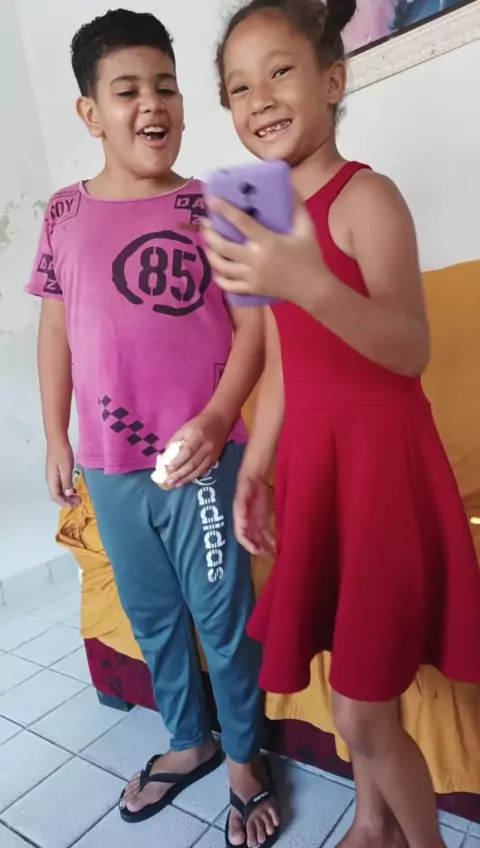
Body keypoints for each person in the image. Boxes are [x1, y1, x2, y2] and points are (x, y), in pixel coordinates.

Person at [204, 1, 480, 846]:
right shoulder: (264, 219)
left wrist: (309, 279)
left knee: (361, 712)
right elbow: (289, 360)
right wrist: (259, 466)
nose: (259, 98)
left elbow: (408, 347)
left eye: (280, 72)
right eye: (238, 87)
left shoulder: (369, 197)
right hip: (318, 470)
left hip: (382, 475)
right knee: (347, 664)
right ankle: (371, 821)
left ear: (332, 79)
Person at [27, 10, 280, 846]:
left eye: (165, 87)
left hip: (199, 458)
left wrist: (218, 417)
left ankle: (243, 758)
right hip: (109, 463)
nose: (152, 105)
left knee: (222, 615)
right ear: (89, 112)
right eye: (127, 90)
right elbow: (56, 328)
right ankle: (189, 738)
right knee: (152, 612)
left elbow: (255, 330)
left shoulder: (216, 204)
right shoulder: (63, 213)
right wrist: (56, 434)